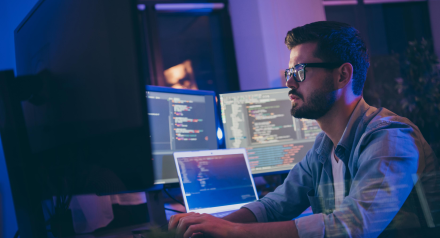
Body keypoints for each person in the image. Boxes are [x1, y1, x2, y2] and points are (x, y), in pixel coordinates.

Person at [168, 21, 439, 238]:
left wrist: (233, 231)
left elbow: (353, 228)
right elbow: (275, 206)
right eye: (289, 73)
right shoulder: (323, 148)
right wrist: (209, 226)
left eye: (299, 71)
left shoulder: (390, 138)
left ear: (342, 75)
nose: (289, 83)